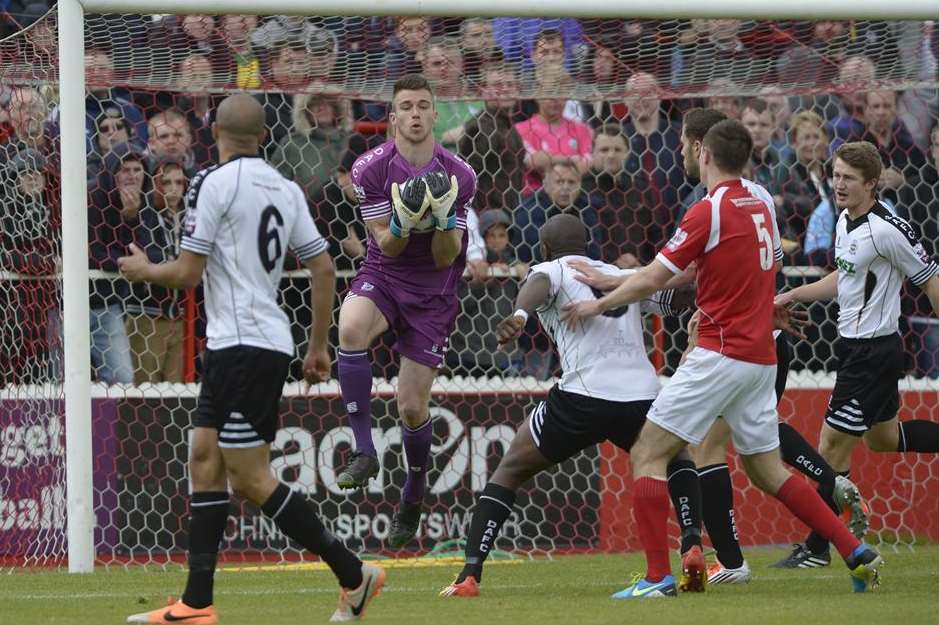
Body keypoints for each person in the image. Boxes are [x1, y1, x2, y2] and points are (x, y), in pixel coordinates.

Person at [561, 119, 883, 598]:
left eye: (688, 149)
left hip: (720, 352)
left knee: (649, 452)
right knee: (767, 470)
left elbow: (654, 278)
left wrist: (597, 303)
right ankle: (856, 552)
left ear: (702, 152)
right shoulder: (762, 204)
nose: (686, 156)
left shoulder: (706, 211)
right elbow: (758, 266)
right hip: (760, 354)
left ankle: (657, 578)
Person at [119, 94, 383, 624]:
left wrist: (146, 270)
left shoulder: (212, 183)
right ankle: (196, 603)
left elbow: (189, 274)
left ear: (213, 130)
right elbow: (326, 268)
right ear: (264, 135)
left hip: (241, 346)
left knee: (250, 477)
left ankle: (355, 575)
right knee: (204, 457)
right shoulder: (286, 189)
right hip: (253, 342)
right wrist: (316, 345)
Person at [440, 213, 705, 597]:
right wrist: (698, 278)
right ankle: (692, 545)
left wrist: (519, 314)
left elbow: (539, 282)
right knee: (676, 460)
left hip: (582, 397)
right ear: (588, 244)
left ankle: (469, 576)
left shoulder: (552, 269)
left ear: (545, 248)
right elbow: (674, 300)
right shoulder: (617, 274)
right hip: (641, 395)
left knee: (510, 468)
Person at [773, 141, 939, 568]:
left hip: (874, 353)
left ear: (871, 183)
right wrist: (792, 293)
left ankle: (817, 547)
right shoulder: (845, 220)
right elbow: (841, 281)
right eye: (836, 174)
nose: (839, 183)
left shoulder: (889, 229)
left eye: (848, 177)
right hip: (853, 348)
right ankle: (822, 543)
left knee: (831, 447)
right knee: (882, 440)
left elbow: (931, 280)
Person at [336, 74, 477, 548]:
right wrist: (403, 219)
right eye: (406, 107)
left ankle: (413, 495)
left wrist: (439, 218)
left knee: (412, 406)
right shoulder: (369, 170)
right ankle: (363, 450)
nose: (415, 114)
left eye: (423, 106)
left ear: (436, 115)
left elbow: (444, 255)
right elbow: (387, 246)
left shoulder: (460, 176)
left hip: (434, 290)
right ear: (392, 118)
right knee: (350, 326)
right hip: (387, 274)